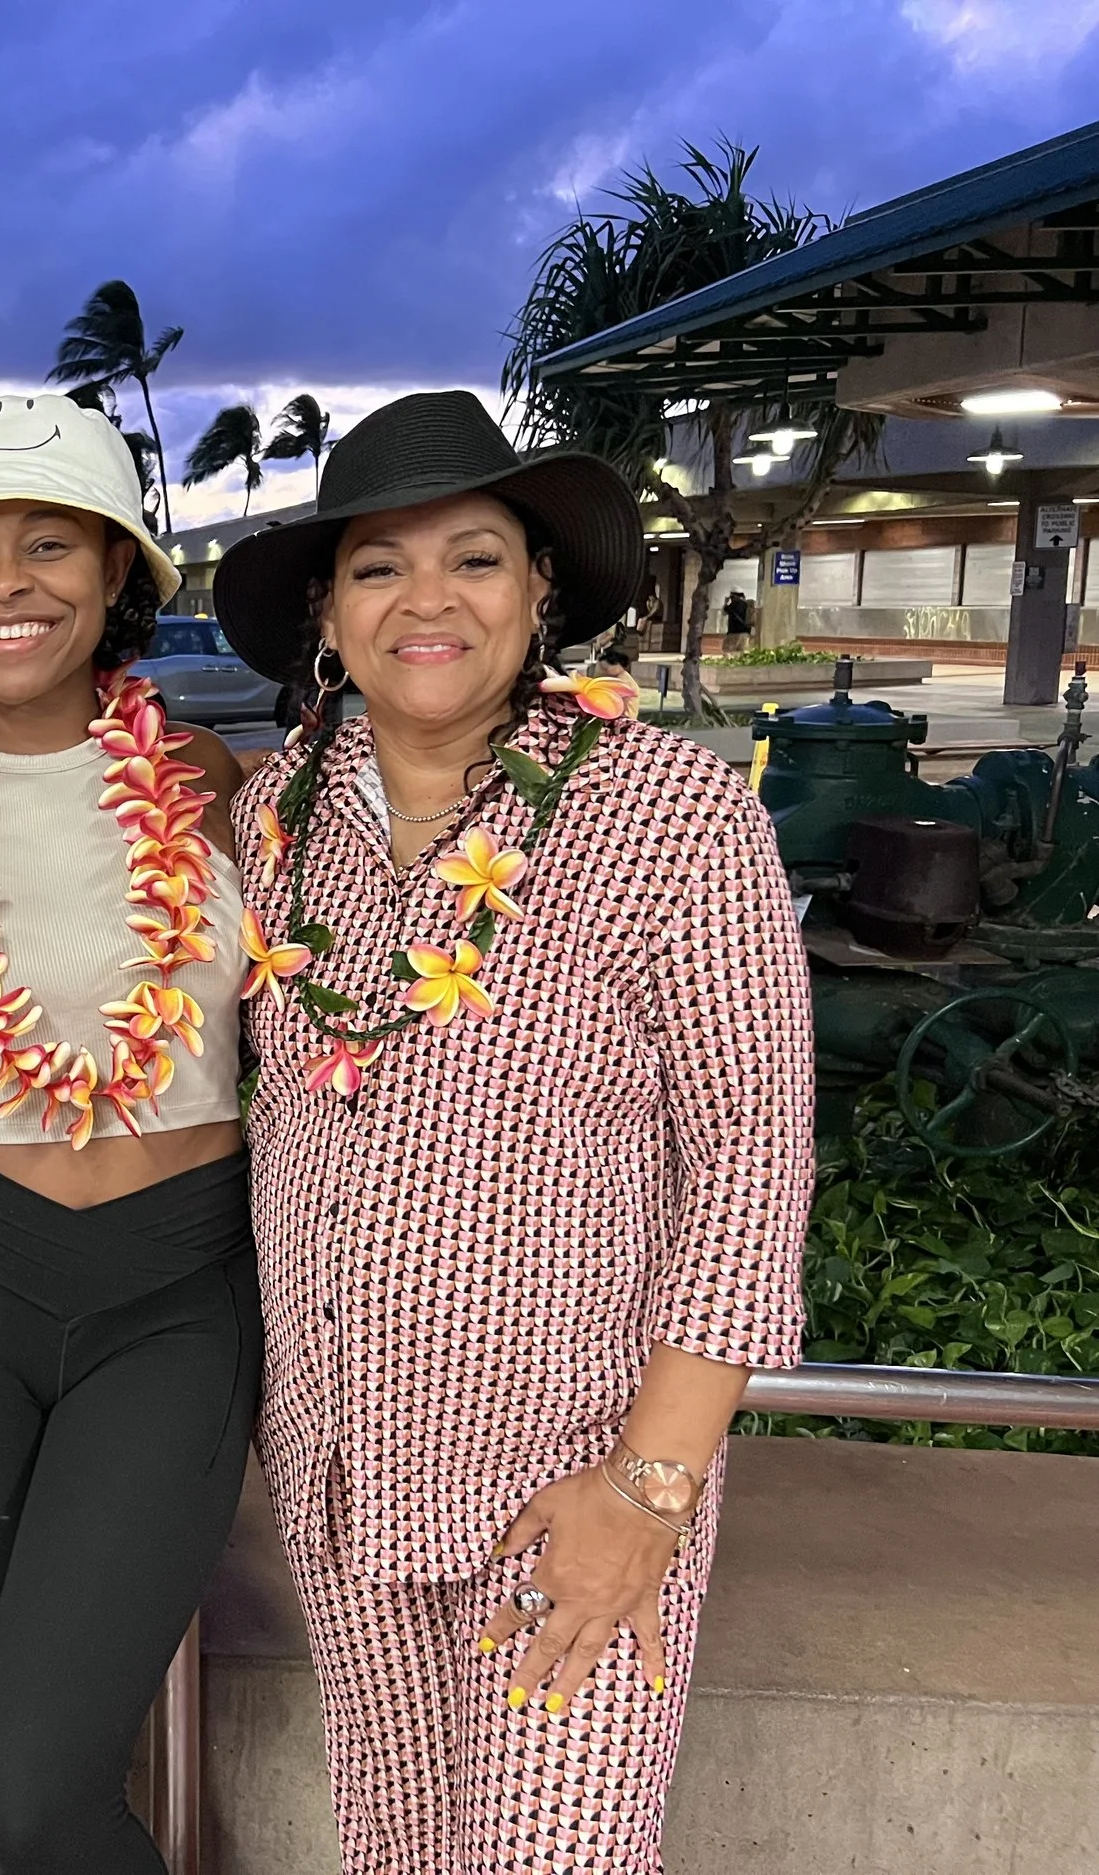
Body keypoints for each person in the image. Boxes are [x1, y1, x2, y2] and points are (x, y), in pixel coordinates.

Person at [210, 390, 813, 1873]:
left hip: (570, 1477)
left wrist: (649, 1489)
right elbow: (154, 1030)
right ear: (327, 620)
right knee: (396, 1853)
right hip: (347, 1466)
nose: (428, 599)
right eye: (377, 567)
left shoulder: (668, 813)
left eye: (474, 558)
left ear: (540, 591)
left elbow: (752, 1149)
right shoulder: (275, 818)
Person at [0, 395, 259, 1875]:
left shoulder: (216, 793)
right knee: (9, 1762)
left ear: (117, 574)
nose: (5, 582)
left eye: (47, 545)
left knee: (29, 1783)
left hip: (170, 1295)